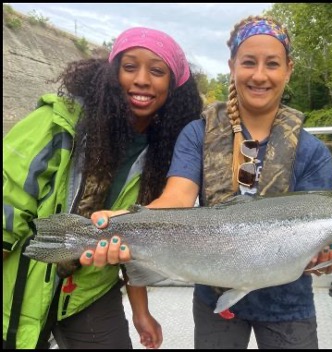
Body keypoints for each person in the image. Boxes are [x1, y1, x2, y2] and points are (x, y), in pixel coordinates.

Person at [80, 16, 332, 349]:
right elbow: (177, 198)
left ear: (289, 69)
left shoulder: (313, 153)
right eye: (248, 63)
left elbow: (318, 239)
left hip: (288, 304)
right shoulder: (197, 134)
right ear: (232, 66)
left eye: (272, 64)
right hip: (215, 298)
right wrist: (122, 222)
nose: (259, 75)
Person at [3, 26, 203, 349]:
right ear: (113, 73)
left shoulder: (164, 153)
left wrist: (141, 312)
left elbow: (138, 239)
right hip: (20, 286)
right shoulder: (58, 122)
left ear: (173, 85)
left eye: (156, 71)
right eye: (129, 67)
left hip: (90, 290)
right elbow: (8, 204)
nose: (141, 79)